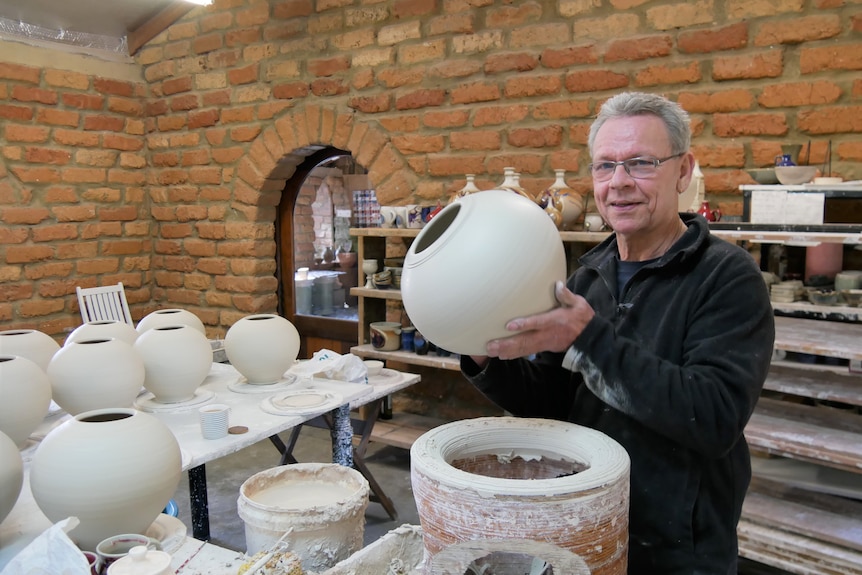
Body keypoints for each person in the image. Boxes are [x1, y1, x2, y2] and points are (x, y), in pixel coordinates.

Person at [461, 91, 775, 574]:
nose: (619, 183)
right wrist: (483, 355)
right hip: (586, 517)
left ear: (684, 170)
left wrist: (590, 339)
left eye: (641, 163)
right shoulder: (589, 276)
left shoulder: (726, 277)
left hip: (678, 545)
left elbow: (714, 419)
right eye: (605, 166)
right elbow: (551, 402)